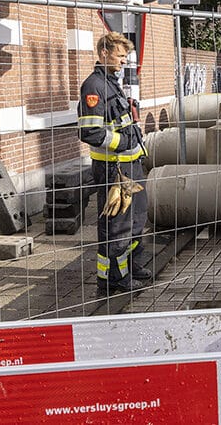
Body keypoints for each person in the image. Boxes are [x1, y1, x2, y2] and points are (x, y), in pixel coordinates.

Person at [78, 32, 151, 295]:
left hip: (130, 165)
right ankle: (113, 279)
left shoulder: (111, 82)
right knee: (116, 224)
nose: (123, 61)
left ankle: (131, 265)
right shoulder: (94, 87)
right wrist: (123, 142)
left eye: (125, 57)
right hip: (113, 168)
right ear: (104, 53)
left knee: (136, 218)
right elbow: (90, 133)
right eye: (120, 56)